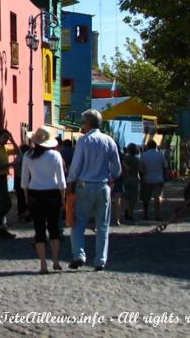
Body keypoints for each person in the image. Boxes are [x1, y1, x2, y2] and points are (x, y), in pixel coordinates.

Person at [67, 109, 121, 272]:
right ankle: (100, 260)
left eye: (83, 122)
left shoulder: (84, 141)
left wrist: (70, 182)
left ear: (88, 123)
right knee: (103, 226)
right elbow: (117, 167)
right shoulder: (109, 140)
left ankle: (79, 255)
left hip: (85, 185)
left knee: (78, 223)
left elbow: (76, 166)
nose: (82, 125)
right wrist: (111, 177)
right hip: (103, 186)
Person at [21, 128, 67, 274]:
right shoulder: (55, 155)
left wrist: (27, 197)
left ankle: (43, 265)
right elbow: (61, 181)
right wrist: (63, 198)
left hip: (35, 194)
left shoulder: (28, 156)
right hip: (53, 194)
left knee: (39, 230)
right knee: (54, 229)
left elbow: (24, 182)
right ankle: (55, 260)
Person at [139, 139, 168, 220]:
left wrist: (142, 178)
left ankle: (146, 214)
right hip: (159, 179)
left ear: (147, 146)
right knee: (158, 197)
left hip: (147, 179)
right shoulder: (160, 155)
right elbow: (165, 167)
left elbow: (141, 169)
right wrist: (164, 175)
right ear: (156, 146)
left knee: (146, 198)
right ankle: (158, 215)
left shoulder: (143, 156)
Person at [122, 143, 141, 221]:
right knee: (133, 197)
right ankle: (130, 213)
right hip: (134, 178)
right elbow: (140, 169)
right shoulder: (138, 159)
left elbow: (123, 167)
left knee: (125, 196)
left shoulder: (125, 158)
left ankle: (126, 208)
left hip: (126, 178)